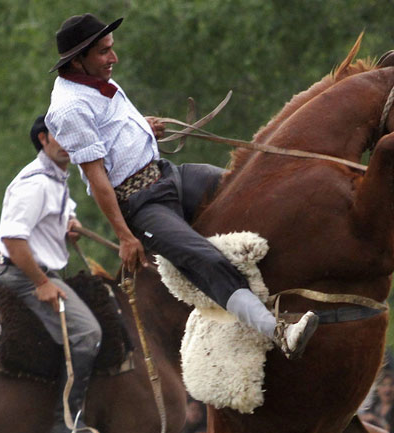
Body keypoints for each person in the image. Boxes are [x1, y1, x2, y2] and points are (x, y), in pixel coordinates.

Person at [44, 13, 317, 361]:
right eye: (103, 52)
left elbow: (111, 133)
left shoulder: (97, 79)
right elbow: (97, 178)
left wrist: (142, 127)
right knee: (205, 259)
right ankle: (279, 332)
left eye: (111, 48)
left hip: (167, 174)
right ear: (77, 60)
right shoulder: (69, 109)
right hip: (140, 205)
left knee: (244, 185)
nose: (114, 58)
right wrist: (125, 236)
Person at [0, 115, 103, 433]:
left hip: (31, 272)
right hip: (22, 276)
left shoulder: (56, 179)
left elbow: (61, 210)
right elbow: (13, 239)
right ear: (43, 139)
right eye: (60, 135)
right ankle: (66, 422)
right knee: (88, 333)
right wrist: (41, 282)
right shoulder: (36, 183)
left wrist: (69, 222)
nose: (68, 143)